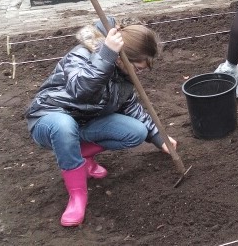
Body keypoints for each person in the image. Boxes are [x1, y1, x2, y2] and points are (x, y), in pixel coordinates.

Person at [25, 16, 177, 227]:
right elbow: (80, 90)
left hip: (84, 124)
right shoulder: (82, 54)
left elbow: (130, 106)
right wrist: (106, 56)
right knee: (64, 126)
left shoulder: (123, 75)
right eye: (137, 68)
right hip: (49, 119)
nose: (139, 73)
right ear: (121, 58)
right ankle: (77, 196)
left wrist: (158, 137)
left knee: (137, 131)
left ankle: (79, 154)